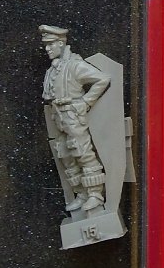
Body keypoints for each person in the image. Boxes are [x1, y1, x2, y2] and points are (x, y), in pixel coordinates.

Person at [39, 25, 110, 212]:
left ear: (61, 43)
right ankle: (81, 193)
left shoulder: (75, 65)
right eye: (46, 45)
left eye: (50, 44)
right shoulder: (52, 69)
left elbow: (102, 79)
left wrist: (85, 102)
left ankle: (95, 194)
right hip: (58, 116)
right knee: (65, 155)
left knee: (83, 152)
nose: (47, 49)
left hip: (72, 115)